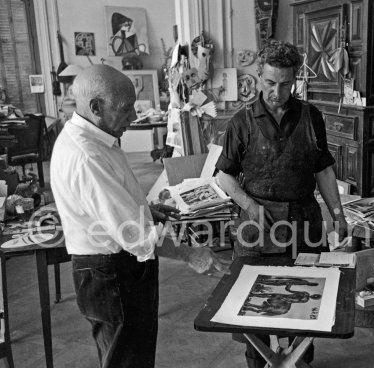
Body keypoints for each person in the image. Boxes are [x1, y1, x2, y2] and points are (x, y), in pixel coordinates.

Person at [50, 64, 228, 368]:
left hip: (112, 268)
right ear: (95, 107)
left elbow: (111, 204)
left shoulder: (95, 138)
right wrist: (190, 254)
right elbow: (133, 234)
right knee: (127, 359)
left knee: (130, 354)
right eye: (126, 109)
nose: (133, 118)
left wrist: (145, 209)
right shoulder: (86, 155)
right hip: (111, 273)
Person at [215, 39, 348, 368]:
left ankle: (301, 362)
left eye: (286, 84)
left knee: (307, 303)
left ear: (295, 80)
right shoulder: (241, 122)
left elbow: (323, 169)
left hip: (304, 219)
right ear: (259, 76)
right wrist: (249, 205)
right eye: (270, 83)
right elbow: (224, 177)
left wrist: (338, 214)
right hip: (256, 223)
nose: (277, 92)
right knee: (253, 312)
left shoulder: (311, 117)